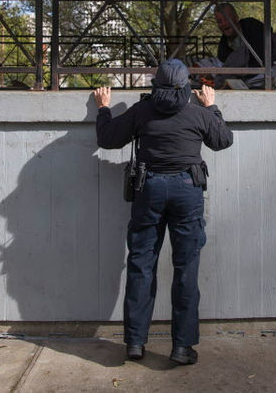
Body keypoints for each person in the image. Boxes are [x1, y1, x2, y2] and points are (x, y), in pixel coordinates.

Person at [94, 59, 233, 365]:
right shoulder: (197, 112)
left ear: (155, 86)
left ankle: (134, 342)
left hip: (150, 188)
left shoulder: (142, 111)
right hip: (188, 189)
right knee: (186, 268)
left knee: (141, 264)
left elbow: (107, 139)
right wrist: (211, 107)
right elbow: (223, 140)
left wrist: (104, 108)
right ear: (187, 87)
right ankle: (182, 347)